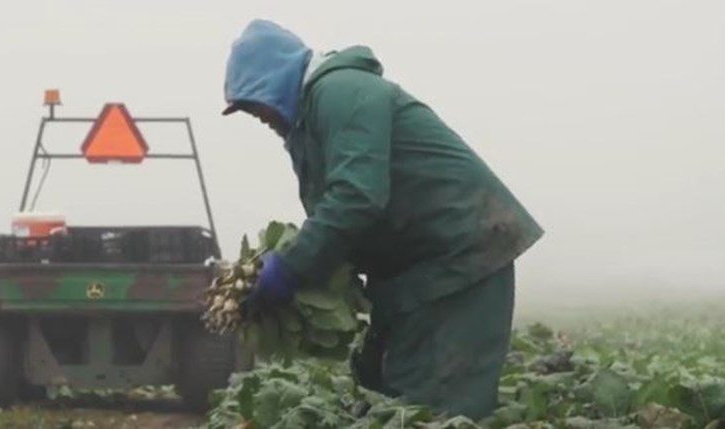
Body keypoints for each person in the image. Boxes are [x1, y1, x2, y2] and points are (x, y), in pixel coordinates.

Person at [221, 19, 544, 419]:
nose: (258, 117)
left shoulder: (341, 92)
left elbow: (356, 198)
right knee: (382, 388)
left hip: (462, 261)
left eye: (254, 104)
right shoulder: (309, 123)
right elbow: (344, 216)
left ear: (274, 81)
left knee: (438, 410)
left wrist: (289, 267)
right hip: (417, 275)